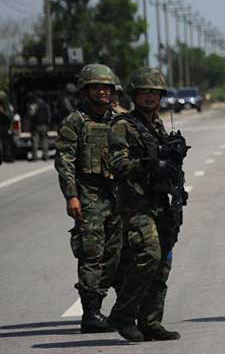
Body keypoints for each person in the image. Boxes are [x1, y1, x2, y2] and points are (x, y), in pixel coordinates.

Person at [107, 67, 184, 342]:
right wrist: (151, 164)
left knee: (163, 262)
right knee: (148, 255)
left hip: (160, 200)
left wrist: (174, 155)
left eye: (154, 92)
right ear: (135, 95)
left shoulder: (157, 126)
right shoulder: (122, 126)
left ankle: (151, 321)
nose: (150, 97)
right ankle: (124, 315)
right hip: (135, 202)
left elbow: (167, 164)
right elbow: (116, 164)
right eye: (144, 92)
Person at [54, 64, 122, 333]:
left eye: (107, 87)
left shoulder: (117, 120)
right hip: (89, 194)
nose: (103, 91)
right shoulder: (76, 122)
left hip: (116, 195)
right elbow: (65, 160)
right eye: (97, 87)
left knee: (115, 254)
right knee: (91, 253)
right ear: (86, 91)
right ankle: (91, 313)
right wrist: (71, 195)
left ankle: (112, 305)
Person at [28, 92, 51, 161]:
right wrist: (48, 124)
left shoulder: (34, 105)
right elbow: (49, 115)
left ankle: (35, 157)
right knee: (44, 141)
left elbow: (31, 114)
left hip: (36, 125)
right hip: (44, 125)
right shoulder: (45, 105)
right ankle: (46, 156)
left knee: (35, 141)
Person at [0, 90, 13, 163]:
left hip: (5, 126)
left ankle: (7, 157)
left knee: (6, 143)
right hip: (3, 127)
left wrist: (3, 112)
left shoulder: (7, 107)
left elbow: (9, 117)